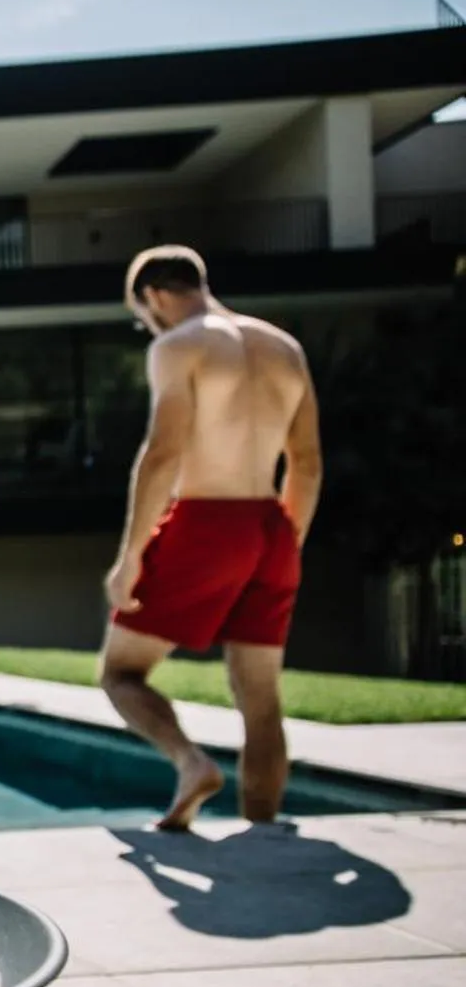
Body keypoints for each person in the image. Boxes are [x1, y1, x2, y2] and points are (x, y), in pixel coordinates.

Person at [100, 245, 323, 830]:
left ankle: (189, 762)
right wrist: (282, 542)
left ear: (153, 297)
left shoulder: (179, 345)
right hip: (272, 525)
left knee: (119, 674)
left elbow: (163, 454)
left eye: (144, 314)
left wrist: (131, 557)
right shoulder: (285, 348)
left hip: (205, 518)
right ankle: (264, 832)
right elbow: (307, 464)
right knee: (260, 695)